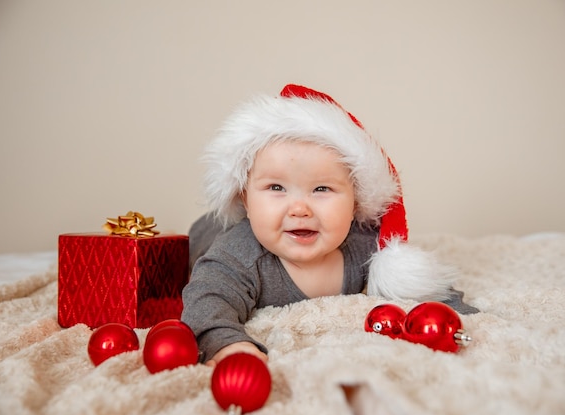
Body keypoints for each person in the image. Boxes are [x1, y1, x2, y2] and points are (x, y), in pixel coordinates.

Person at [182, 84, 477, 366]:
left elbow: (427, 289)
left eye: (321, 189)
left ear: (355, 204)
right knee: (201, 240)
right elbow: (207, 301)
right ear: (245, 199)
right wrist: (228, 344)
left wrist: (457, 313)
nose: (299, 209)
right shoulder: (237, 257)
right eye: (276, 188)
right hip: (208, 233)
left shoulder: (365, 245)